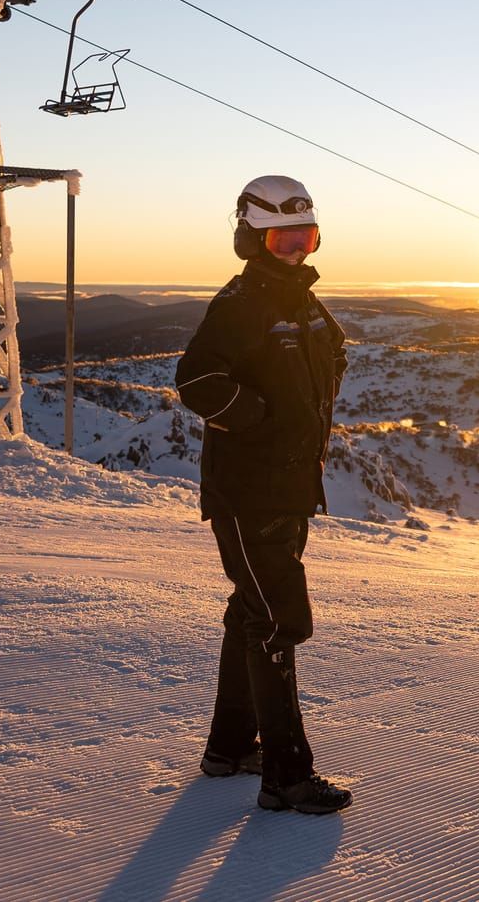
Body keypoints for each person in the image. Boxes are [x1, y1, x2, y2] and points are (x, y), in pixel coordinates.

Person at [175, 175, 352, 815]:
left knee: (251, 613)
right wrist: (258, 421)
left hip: (290, 486)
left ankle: (230, 749)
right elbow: (196, 378)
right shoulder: (244, 301)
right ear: (253, 236)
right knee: (279, 620)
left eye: (304, 235)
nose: (295, 248)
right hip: (250, 490)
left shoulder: (300, 300)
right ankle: (286, 776)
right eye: (282, 236)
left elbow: (329, 354)